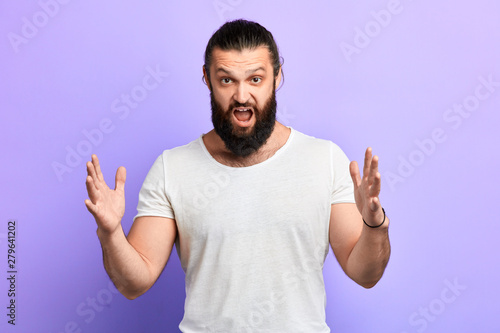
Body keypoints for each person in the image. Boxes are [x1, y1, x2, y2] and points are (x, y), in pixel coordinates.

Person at [84, 19, 390, 332]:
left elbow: (366, 275)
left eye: (255, 79)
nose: (242, 96)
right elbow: (134, 283)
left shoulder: (324, 159)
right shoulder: (171, 168)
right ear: (207, 79)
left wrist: (374, 224)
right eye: (227, 80)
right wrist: (110, 234)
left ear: (277, 77)